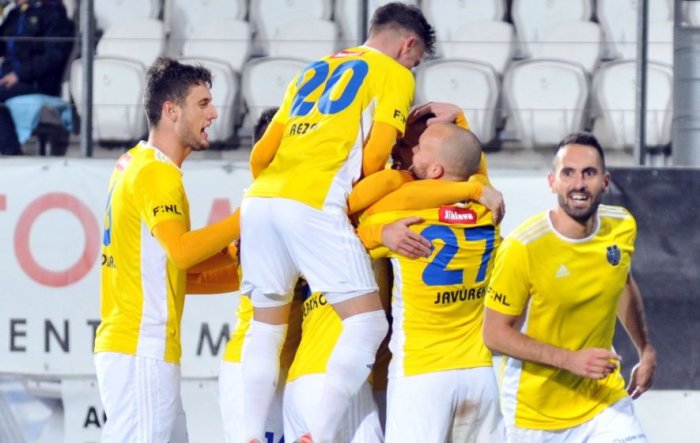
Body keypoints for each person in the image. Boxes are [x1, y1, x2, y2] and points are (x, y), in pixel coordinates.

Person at [239, 3, 435, 442]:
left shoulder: (313, 69)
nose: (413, 68)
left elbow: (259, 155)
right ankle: (319, 435)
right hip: (312, 203)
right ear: (408, 45)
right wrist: (392, 177)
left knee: (265, 327)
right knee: (368, 324)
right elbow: (372, 156)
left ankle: (249, 435)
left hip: (260, 200)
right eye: (416, 59)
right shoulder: (395, 74)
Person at [94, 57, 241, 442]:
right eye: (203, 103)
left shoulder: (135, 162)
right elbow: (180, 251)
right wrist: (247, 215)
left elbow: (172, 271)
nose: (214, 113)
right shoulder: (157, 174)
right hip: (141, 348)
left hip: (137, 347)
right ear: (171, 111)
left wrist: (237, 264)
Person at [483, 132, 656, 442]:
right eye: (568, 173)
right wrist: (570, 360)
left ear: (605, 181)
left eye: (589, 173)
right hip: (534, 413)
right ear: (552, 182)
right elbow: (494, 334)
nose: (579, 183)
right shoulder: (524, 247)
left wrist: (646, 350)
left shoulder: (622, 225)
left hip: (603, 402)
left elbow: (622, 283)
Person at [359, 123, 505, 442]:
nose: (412, 151)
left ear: (436, 169)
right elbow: (472, 164)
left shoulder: (406, 222)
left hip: (422, 376)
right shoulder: (488, 212)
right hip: (479, 375)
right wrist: (461, 121)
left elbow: (350, 229)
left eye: (420, 148)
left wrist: (381, 234)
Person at [0, 0, 73, 155]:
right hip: (8, 81)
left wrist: (19, 74)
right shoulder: (14, 14)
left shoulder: (54, 13)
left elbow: (54, 56)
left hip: (37, 82)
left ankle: (10, 153)